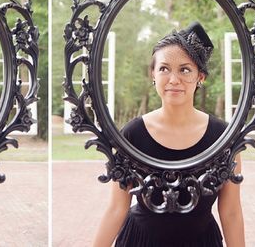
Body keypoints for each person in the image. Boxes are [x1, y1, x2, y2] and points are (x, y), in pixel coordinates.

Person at [93, 22, 245, 246]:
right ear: (152, 74)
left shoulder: (224, 136)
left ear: (200, 77)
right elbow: (117, 207)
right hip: (139, 241)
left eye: (185, 69)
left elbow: (231, 211)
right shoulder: (132, 134)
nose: (174, 79)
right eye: (164, 68)